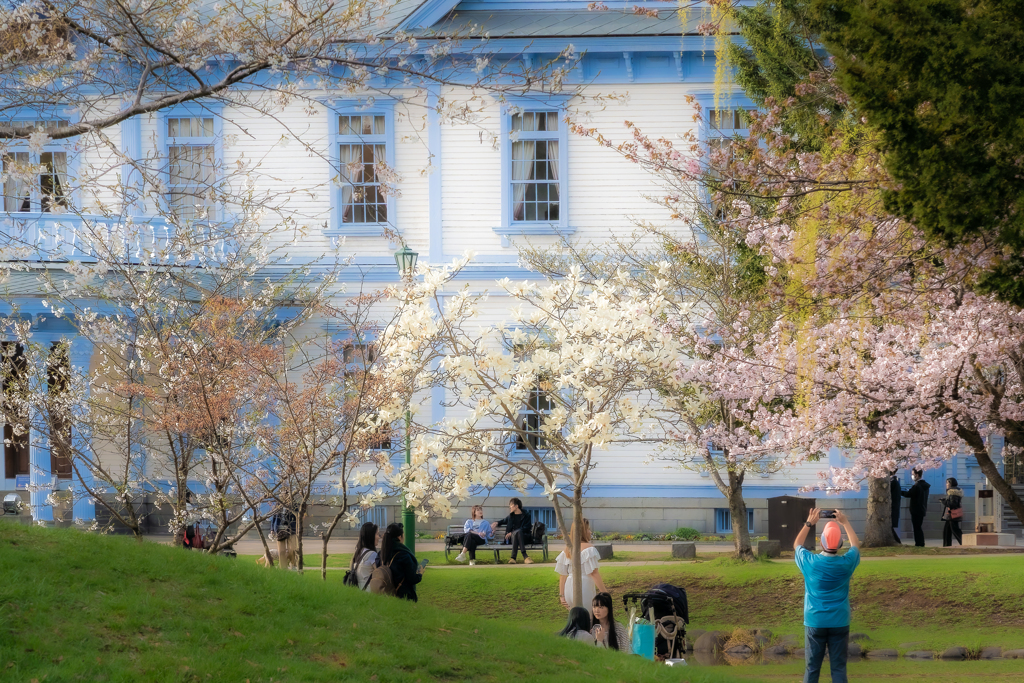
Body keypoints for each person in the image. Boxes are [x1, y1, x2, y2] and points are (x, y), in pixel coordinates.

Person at [793, 509, 861, 683]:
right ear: (839, 544)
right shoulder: (847, 563)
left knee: (812, 668)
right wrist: (845, 522)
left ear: (821, 542)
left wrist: (809, 523)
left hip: (815, 621)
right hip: (839, 621)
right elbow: (855, 545)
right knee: (838, 668)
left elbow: (797, 545)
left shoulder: (810, 562)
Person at [555, 518, 608, 611]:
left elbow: (563, 574)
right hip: (584, 586)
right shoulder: (589, 548)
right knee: (588, 618)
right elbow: (594, 573)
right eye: (588, 529)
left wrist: (562, 595)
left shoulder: (567, 549)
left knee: (576, 619)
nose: (590, 532)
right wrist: (605, 593)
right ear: (582, 532)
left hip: (568, 588)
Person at [380, 522, 425, 602]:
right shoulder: (404, 556)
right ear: (400, 537)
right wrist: (420, 574)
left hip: (387, 595)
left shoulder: (382, 553)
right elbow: (412, 579)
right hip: (404, 596)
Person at [492, 497, 533, 564]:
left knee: (519, 532)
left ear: (516, 506)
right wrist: (497, 523)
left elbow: (527, 527)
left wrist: (512, 533)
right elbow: (503, 521)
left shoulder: (526, 515)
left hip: (525, 537)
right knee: (517, 533)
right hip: (513, 539)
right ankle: (525, 557)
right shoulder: (511, 516)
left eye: (511, 505)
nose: (510, 507)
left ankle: (513, 558)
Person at [901, 468, 931, 547]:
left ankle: (919, 543)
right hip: (922, 508)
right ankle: (920, 542)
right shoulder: (925, 485)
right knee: (918, 527)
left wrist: (899, 491)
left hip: (916, 509)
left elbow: (909, 494)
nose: (912, 476)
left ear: (917, 475)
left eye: (913, 474)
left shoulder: (917, 485)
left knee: (916, 527)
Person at [271, 498, 299, 570]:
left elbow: (297, 516)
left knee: (292, 549)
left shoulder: (294, 505)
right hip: (279, 529)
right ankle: (283, 568)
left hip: (291, 529)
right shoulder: (278, 504)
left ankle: (293, 565)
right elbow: (274, 517)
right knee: (281, 551)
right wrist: (272, 529)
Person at [350, 522, 380, 590]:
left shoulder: (358, 553)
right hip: (369, 592)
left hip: (358, 591)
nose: (379, 537)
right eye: (377, 534)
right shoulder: (372, 555)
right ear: (371, 536)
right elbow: (380, 575)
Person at [940, 477, 965, 547]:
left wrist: (943, 501)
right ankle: (946, 545)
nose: (946, 484)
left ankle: (964, 543)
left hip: (952, 514)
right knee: (947, 530)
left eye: (947, 483)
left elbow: (952, 504)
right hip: (951, 515)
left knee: (955, 530)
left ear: (950, 483)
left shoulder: (952, 492)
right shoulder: (955, 491)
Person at [889, 471, 902, 544]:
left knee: (890, 527)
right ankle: (897, 541)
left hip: (893, 507)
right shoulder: (895, 481)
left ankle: (897, 541)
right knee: (890, 527)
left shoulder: (893, 482)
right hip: (894, 507)